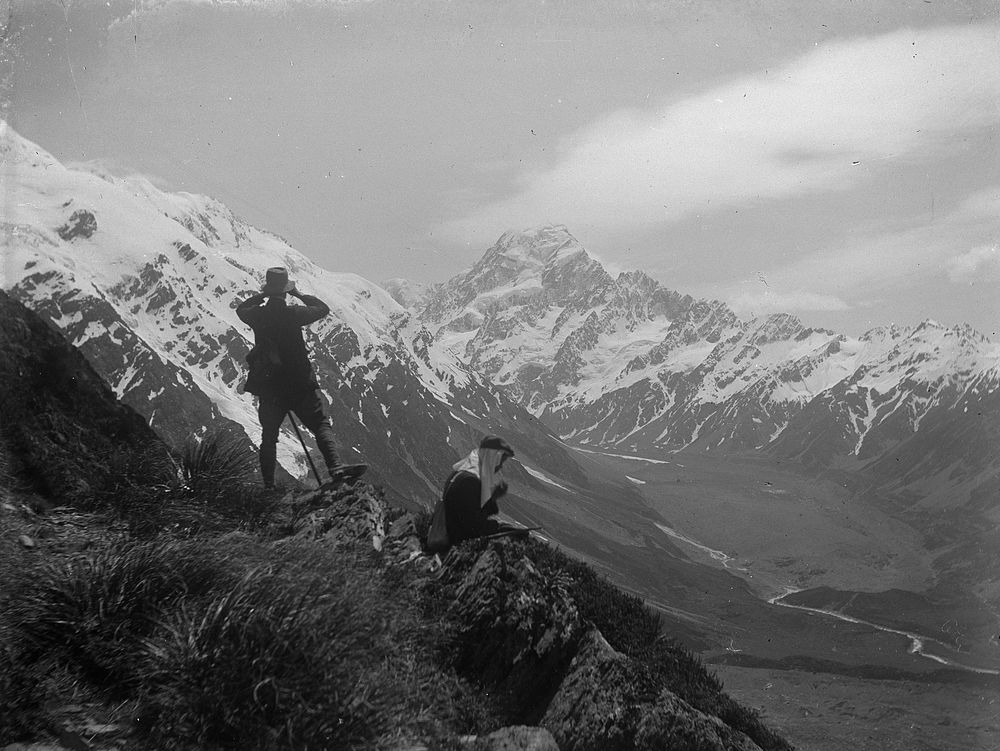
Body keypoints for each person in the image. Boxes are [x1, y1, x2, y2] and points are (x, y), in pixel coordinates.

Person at [236, 267, 357, 488]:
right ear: (285, 291)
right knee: (320, 424)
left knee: (269, 435)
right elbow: (322, 308)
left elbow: (241, 309)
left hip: (271, 386)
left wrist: (265, 294)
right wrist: (298, 294)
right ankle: (336, 469)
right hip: (300, 383)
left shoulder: (258, 315)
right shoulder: (294, 314)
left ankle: (269, 487)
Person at [427, 435, 516, 551]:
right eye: (499, 462)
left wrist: (493, 496)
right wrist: (499, 527)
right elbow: (472, 527)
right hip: (455, 541)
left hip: (450, 533)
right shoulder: (469, 482)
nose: (499, 467)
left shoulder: (460, 473)